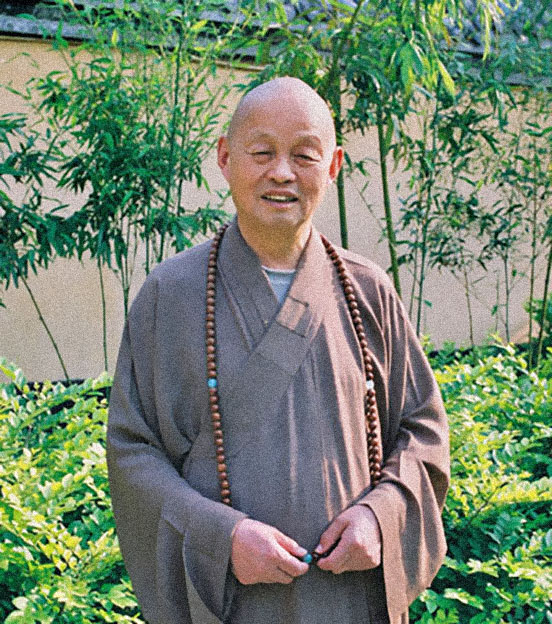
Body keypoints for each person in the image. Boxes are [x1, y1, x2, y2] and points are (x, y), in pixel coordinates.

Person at [107, 76, 450, 624]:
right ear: (225, 158)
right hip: (227, 602)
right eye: (262, 152)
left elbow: (423, 431)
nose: (282, 173)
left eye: (304, 155)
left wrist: (381, 516)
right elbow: (133, 450)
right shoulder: (170, 294)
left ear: (333, 165)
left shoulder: (367, 290)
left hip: (349, 597)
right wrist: (220, 539)